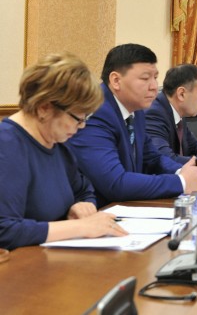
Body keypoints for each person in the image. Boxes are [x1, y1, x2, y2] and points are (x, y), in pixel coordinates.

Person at [0, 53, 127, 250]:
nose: (82, 126)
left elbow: (83, 190)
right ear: (44, 108)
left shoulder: (57, 141)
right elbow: (5, 230)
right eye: (78, 118)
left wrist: (84, 205)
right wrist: (80, 227)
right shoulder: (7, 145)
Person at [71, 44, 197, 207]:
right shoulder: (95, 112)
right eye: (145, 79)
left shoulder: (135, 109)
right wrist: (182, 181)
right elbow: (115, 183)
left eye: (155, 77)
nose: (154, 86)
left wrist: (183, 170)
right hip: (97, 212)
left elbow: (152, 158)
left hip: (127, 207)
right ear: (116, 80)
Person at [145, 64, 197, 169]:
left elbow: (193, 144)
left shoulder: (178, 111)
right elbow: (164, 159)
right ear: (181, 94)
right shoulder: (154, 114)